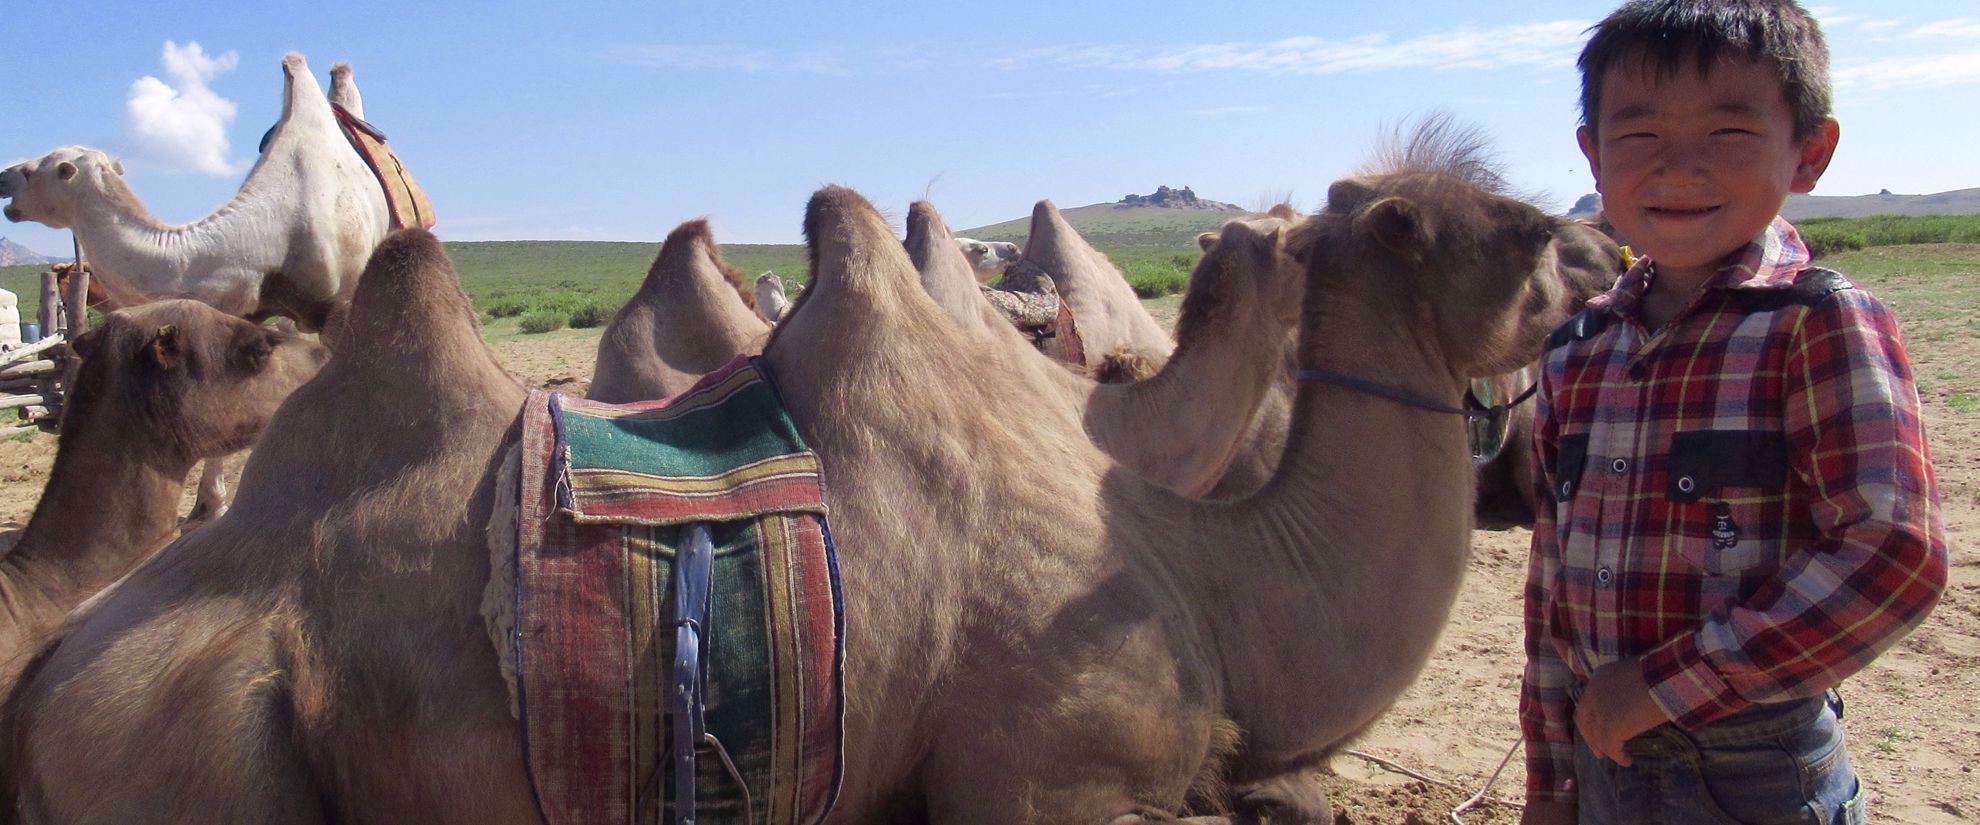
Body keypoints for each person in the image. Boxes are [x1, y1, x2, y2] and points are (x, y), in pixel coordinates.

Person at [1519, 2, 1949, 823]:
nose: (1680, 168)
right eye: (1639, 135)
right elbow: (1552, 592)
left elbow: (1892, 554)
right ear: (1594, 158)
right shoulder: (1579, 347)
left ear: (1809, 153)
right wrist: (1553, 785)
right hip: (1601, 758)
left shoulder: (1816, 321)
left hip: (1753, 775)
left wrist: (1664, 685)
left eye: (1728, 133)